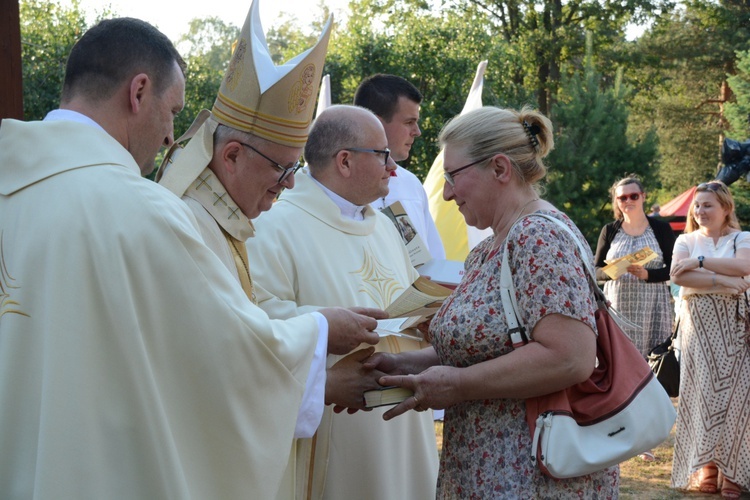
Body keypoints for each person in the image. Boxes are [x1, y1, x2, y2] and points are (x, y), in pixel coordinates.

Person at [0, 17, 381, 499]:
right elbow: (226, 360)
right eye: (173, 110)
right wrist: (323, 332)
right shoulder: (141, 211)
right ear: (139, 93)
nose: (169, 138)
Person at [367, 105, 620, 498]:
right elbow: (490, 348)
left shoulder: (538, 238)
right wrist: (402, 365)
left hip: (531, 474)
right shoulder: (491, 248)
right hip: (493, 466)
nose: (447, 193)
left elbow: (570, 356)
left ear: (500, 169)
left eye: (453, 177)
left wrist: (459, 386)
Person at [246, 104, 440, 499]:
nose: (393, 167)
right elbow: (256, 323)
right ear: (345, 162)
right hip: (338, 421)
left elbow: (402, 297)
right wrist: (323, 323)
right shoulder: (273, 228)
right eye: (382, 155)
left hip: (402, 419)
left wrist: (425, 318)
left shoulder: (385, 227)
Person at [669, 180, 750, 499]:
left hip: (735, 325)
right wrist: (723, 279)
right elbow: (677, 275)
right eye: (697, 205)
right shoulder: (685, 240)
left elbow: (745, 266)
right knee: (702, 395)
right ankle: (707, 467)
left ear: (726, 208)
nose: (700, 211)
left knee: (738, 399)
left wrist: (700, 264)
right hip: (698, 328)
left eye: (708, 205)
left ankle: (734, 472)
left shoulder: (742, 238)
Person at [354, 74, 446, 260]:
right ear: (376, 123)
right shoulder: (337, 186)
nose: (417, 132)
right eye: (409, 122)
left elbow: (434, 261)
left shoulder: (411, 184)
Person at [594, 176, 676, 357]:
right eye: (622, 198)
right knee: (618, 360)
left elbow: (674, 268)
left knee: (655, 361)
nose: (628, 201)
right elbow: (595, 270)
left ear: (643, 196)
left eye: (633, 196)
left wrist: (647, 274)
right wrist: (611, 272)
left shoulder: (661, 229)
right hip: (617, 305)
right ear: (616, 201)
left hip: (652, 306)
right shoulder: (609, 230)